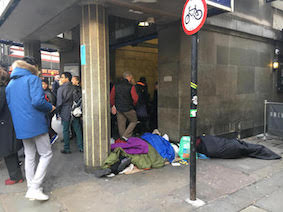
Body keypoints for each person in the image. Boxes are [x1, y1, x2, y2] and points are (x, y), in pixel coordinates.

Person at [6, 56, 55, 201]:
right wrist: (50, 107)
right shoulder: (33, 79)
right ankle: (35, 187)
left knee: (30, 155)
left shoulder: (10, 84)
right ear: (32, 67)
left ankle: (31, 186)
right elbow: (38, 101)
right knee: (46, 154)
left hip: (21, 126)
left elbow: (11, 106)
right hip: (35, 123)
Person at [0, 64, 24, 185]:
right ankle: (17, 175)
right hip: (9, 123)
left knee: (8, 152)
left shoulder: (1, 91)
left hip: (5, 125)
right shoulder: (7, 88)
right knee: (11, 151)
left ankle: (15, 177)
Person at [57, 72, 83, 153]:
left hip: (65, 111)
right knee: (77, 129)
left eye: (62, 77)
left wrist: (58, 112)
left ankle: (67, 148)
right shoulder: (74, 88)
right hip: (74, 111)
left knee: (65, 130)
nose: (61, 79)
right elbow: (78, 99)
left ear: (67, 78)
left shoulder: (61, 89)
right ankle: (81, 147)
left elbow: (59, 103)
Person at [110, 72, 139, 140]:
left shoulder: (116, 85)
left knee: (121, 125)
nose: (131, 78)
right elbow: (135, 98)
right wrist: (133, 105)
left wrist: (113, 105)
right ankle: (125, 136)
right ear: (128, 77)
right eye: (131, 77)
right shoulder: (131, 86)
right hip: (128, 108)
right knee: (134, 121)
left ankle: (123, 142)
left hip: (119, 108)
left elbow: (111, 97)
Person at [42, 79, 58, 144]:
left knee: (47, 125)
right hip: (48, 112)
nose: (42, 85)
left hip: (48, 112)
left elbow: (51, 103)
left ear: (46, 85)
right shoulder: (46, 92)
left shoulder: (47, 93)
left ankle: (53, 135)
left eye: (43, 84)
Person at [71, 75, 83, 151]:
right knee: (78, 127)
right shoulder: (80, 89)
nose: (72, 81)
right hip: (78, 110)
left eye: (73, 79)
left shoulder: (74, 89)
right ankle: (80, 146)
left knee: (77, 127)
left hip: (74, 110)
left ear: (77, 81)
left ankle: (80, 145)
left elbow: (75, 99)